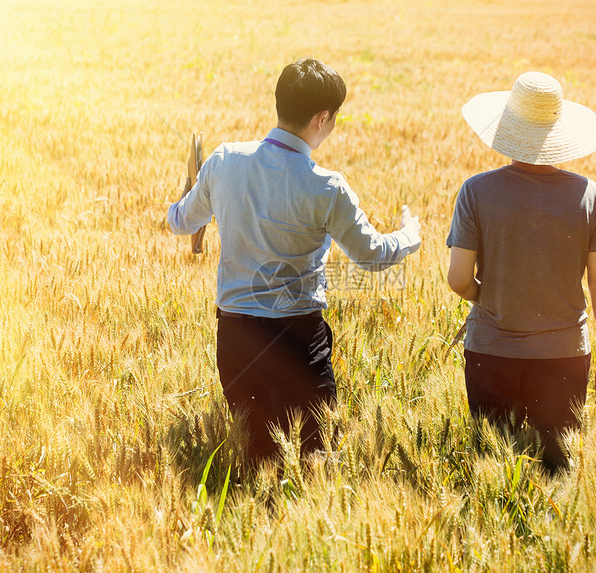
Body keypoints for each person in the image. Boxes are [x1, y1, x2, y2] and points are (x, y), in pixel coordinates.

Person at [168, 58, 421, 466]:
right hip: (299, 340)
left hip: (235, 338)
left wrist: (186, 195)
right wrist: (410, 234)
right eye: (334, 118)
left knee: (253, 456)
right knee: (313, 457)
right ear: (321, 118)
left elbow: (181, 221)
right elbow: (370, 255)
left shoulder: (223, 161)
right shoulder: (327, 186)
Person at [446, 71, 596, 473]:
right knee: (557, 471)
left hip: (491, 352)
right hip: (563, 357)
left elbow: (458, 279)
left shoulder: (476, 191)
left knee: (492, 466)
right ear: (558, 131)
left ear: (508, 127)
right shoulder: (588, 195)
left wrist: (490, 295)